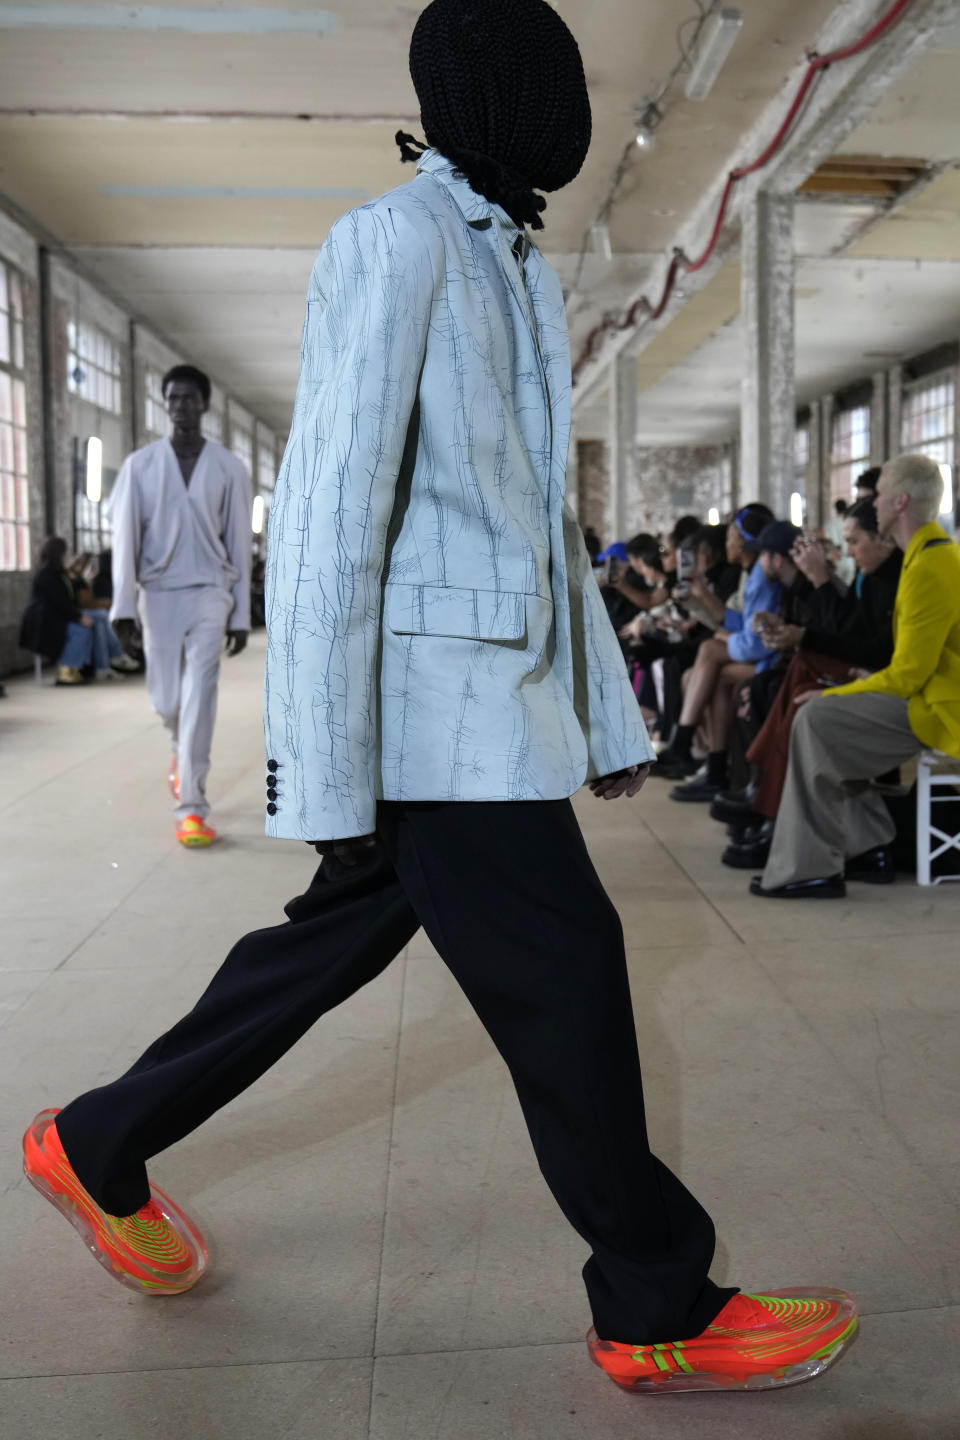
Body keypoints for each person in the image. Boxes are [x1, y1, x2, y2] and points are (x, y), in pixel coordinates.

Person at [22, 0, 856, 1397]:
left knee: (328, 949)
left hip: (486, 707)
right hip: (426, 716)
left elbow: (530, 537)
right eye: (551, 83)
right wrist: (326, 777)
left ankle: (98, 1141)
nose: (571, 112)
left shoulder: (515, 268)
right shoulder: (393, 244)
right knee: (571, 976)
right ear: (490, 94)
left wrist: (598, 719)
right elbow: (338, 516)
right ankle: (653, 1302)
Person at [752, 453, 960, 899]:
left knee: (817, 720)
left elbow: (906, 674)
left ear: (900, 502)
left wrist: (840, 694)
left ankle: (817, 864)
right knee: (817, 721)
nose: (873, 501)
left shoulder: (930, 564)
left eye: (880, 494)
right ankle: (861, 846)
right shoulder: (922, 556)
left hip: (942, 708)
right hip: (928, 696)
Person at [107, 364, 253, 847]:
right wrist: (123, 607)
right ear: (164, 405)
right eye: (173, 399)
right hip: (160, 595)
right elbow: (125, 537)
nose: (181, 407)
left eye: (190, 398)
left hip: (211, 591)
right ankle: (179, 748)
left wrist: (239, 614)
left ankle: (191, 806)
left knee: (200, 696)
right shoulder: (140, 466)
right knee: (168, 701)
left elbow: (237, 543)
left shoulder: (230, 468)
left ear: (204, 405)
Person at [654, 505, 778, 796]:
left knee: (709, 650)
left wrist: (724, 635)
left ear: (746, 541)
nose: (728, 543)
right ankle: (713, 764)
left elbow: (755, 642)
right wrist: (703, 601)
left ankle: (688, 747)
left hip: (771, 658)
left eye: (732, 537)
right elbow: (736, 620)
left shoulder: (758, 575)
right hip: (758, 651)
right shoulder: (753, 573)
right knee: (711, 667)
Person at [18, 537, 95, 685]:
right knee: (81, 630)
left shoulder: (56, 572)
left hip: (53, 616)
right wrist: (79, 617)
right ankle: (66, 672)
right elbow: (60, 602)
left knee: (91, 623)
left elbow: (66, 597)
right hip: (42, 621)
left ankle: (80, 667)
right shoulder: (46, 574)